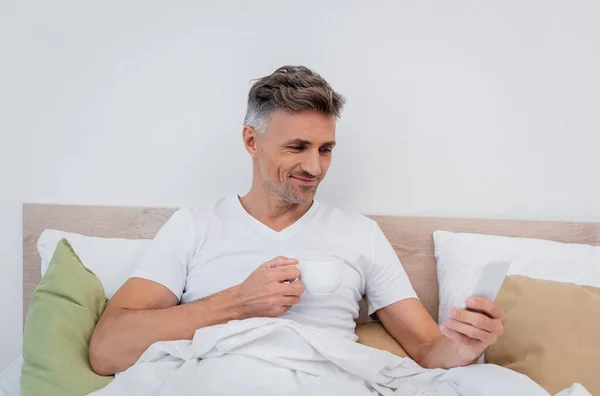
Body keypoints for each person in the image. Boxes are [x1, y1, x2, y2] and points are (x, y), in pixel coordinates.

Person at [89, 65, 505, 377]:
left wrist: (463, 344)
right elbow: (108, 350)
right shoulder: (195, 226)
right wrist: (238, 303)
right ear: (252, 141)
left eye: (326, 149)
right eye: (297, 146)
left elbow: (430, 351)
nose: (314, 166)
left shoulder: (359, 234)